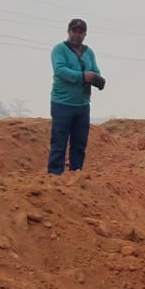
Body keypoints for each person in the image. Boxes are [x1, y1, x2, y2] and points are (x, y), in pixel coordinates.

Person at [48, 18, 104, 175]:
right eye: (74, 31)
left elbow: (95, 71)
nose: (77, 35)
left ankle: (76, 176)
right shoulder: (59, 49)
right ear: (68, 32)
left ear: (85, 34)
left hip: (82, 105)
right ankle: (54, 177)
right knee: (59, 142)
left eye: (81, 32)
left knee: (79, 144)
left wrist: (96, 79)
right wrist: (82, 76)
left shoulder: (89, 52)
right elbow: (60, 70)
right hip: (62, 103)